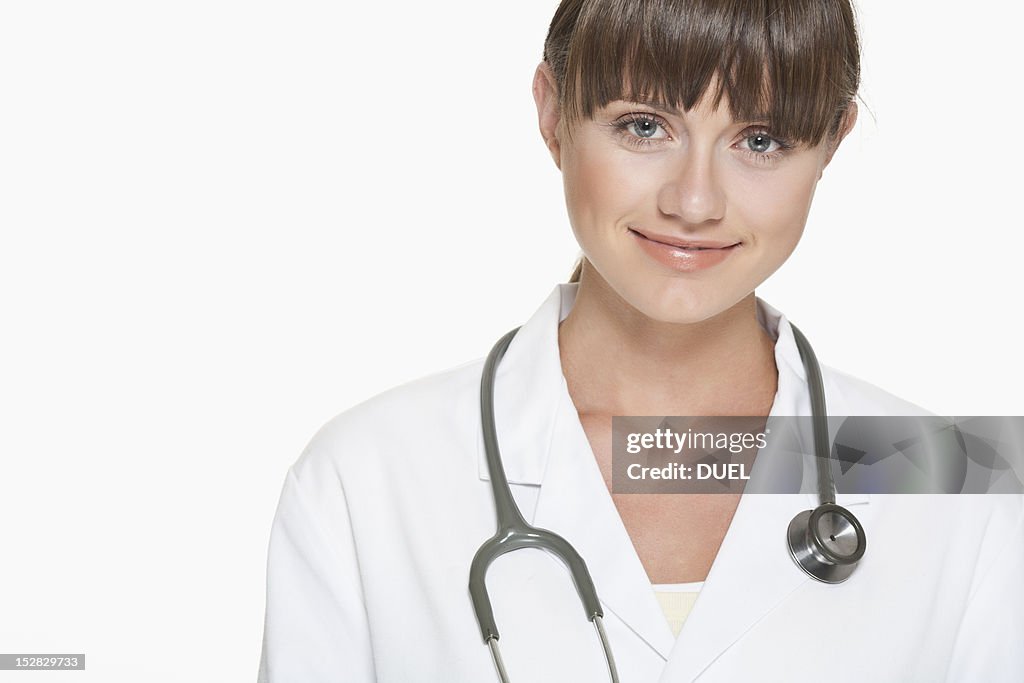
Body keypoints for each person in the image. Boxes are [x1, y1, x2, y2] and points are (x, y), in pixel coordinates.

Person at [257, 1, 1024, 680]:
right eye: (644, 126)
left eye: (760, 141)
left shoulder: (956, 484)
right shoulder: (365, 480)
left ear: (832, 141)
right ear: (553, 114)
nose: (694, 200)